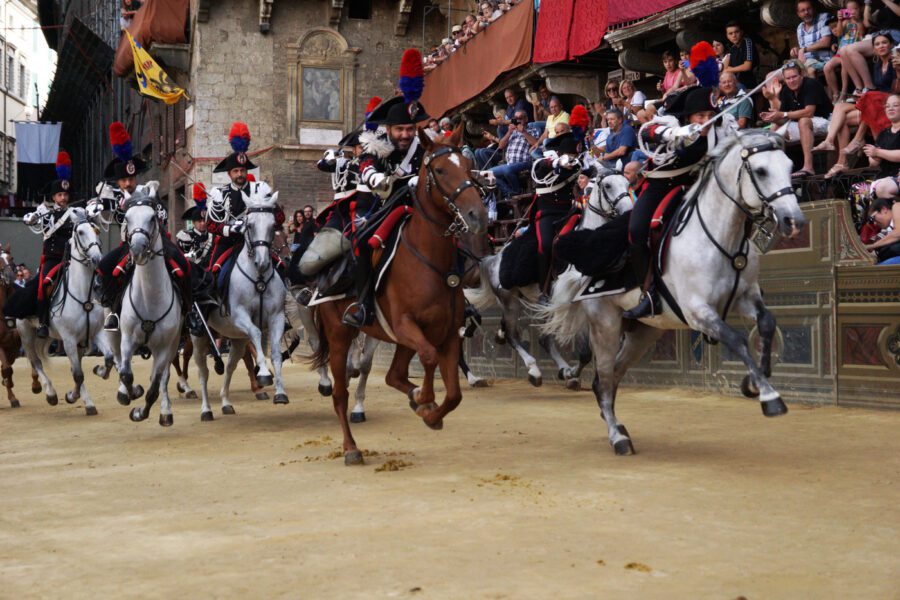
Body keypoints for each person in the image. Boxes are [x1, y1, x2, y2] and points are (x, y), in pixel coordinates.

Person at [623, 44, 729, 319]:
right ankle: (648, 293)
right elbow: (648, 131)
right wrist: (676, 133)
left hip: (698, 185)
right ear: (688, 116)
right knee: (636, 230)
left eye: (709, 117)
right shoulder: (671, 122)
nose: (705, 122)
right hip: (661, 186)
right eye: (700, 117)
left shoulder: (719, 128)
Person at [342, 49, 430, 328]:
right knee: (362, 245)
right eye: (400, 129)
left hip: (422, 208)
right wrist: (376, 178)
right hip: (388, 207)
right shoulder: (377, 144)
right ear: (389, 129)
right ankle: (364, 304)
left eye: (410, 129)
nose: (405, 135)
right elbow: (366, 165)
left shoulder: (424, 144)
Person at [96, 122, 188, 331]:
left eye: (131, 178)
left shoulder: (148, 192)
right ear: (118, 182)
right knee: (105, 267)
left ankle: (188, 311)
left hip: (155, 243)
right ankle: (113, 311)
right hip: (127, 244)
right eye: (124, 180)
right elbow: (108, 210)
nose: (128, 183)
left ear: (135, 177)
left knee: (184, 265)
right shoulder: (113, 198)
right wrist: (99, 205)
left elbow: (162, 214)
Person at [3, 153, 81, 337]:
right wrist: (31, 218)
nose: (63, 198)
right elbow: (32, 220)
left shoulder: (76, 212)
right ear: (54, 197)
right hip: (53, 260)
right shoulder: (44, 212)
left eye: (65, 194)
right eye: (60, 195)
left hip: (72, 259)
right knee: (43, 284)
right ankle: (44, 321)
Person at [813, 32, 897, 176]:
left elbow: (895, 91)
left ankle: (853, 147)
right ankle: (831, 143)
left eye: (884, 43)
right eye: (877, 44)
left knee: (868, 97)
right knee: (840, 108)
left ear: (891, 45)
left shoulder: (895, 62)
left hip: (889, 104)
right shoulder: (876, 64)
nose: (881, 46)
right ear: (874, 48)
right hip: (874, 103)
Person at [530, 105, 590, 302]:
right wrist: (558, 163)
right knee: (545, 246)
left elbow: (588, 171)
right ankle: (544, 290)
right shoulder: (546, 162)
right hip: (548, 214)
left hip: (570, 211)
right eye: (570, 155)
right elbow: (541, 169)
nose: (573, 158)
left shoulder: (578, 163)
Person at [760, 61, 833, 178]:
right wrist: (773, 117)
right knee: (775, 127)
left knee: (803, 120)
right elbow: (784, 118)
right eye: (788, 78)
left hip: (826, 122)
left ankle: (808, 167)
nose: (791, 81)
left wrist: (782, 114)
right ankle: (779, 169)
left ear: (801, 75)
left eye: (794, 77)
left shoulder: (810, 84)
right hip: (803, 126)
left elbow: (809, 112)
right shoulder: (786, 90)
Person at [481, 109, 539, 201]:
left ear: (526, 119)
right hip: (510, 163)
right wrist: (509, 132)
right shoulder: (513, 131)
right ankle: (509, 192)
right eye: (515, 118)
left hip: (525, 162)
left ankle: (517, 190)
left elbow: (536, 144)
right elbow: (500, 146)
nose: (518, 120)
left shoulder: (533, 130)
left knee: (508, 170)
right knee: (486, 174)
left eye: (520, 118)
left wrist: (523, 132)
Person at [823, 0, 865, 101]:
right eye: (849, 10)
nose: (852, 12)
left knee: (844, 64)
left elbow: (862, 33)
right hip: (840, 51)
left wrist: (857, 20)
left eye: (855, 9)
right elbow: (838, 33)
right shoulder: (845, 22)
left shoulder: (860, 22)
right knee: (827, 67)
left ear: (860, 9)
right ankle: (835, 93)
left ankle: (844, 91)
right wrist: (840, 20)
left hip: (850, 52)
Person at [791, 0, 834, 76]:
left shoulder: (823, 18)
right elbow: (802, 48)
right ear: (798, 14)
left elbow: (825, 42)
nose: (806, 12)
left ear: (813, 9)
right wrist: (796, 51)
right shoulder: (800, 27)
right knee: (775, 74)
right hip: (807, 61)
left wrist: (804, 50)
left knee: (807, 71)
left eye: (809, 9)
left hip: (824, 60)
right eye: (803, 10)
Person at [723, 21, 759, 88]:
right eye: (730, 33)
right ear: (727, 36)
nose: (734, 35)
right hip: (737, 82)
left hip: (750, 82)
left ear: (741, 32)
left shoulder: (747, 42)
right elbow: (726, 66)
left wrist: (728, 70)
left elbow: (747, 66)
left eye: (736, 32)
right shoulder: (733, 49)